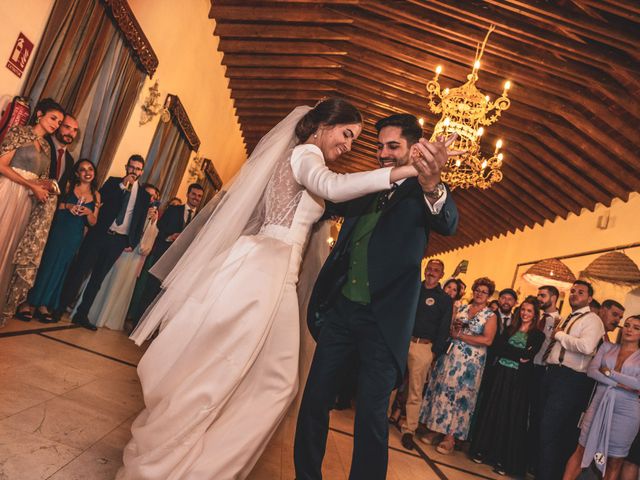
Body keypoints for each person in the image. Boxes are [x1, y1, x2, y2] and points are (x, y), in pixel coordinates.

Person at [117, 99, 420, 480]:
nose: (348, 146)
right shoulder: (306, 154)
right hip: (265, 270)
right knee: (242, 375)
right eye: (347, 135)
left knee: (268, 380)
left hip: (274, 271)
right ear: (324, 124)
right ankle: (178, 464)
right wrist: (406, 171)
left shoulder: (304, 158)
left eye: (355, 140)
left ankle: (202, 466)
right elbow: (331, 186)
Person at [295, 112, 460, 479]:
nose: (383, 153)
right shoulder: (367, 184)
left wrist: (433, 183)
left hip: (384, 324)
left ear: (414, 148)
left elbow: (447, 221)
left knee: (370, 417)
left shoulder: (423, 190)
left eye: (393, 146)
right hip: (341, 314)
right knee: (314, 402)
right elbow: (323, 197)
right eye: (380, 146)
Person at [57, 154, 151, 330]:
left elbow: (138, 220)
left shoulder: (144, 196)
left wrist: (132, 240)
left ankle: (81, 314)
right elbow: (102, 199)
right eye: (131, 167)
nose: (134, 171)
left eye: (138, 169)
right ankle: (60, 308)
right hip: (99, 234)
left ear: (142, 171)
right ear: (126, 167)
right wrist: (123, 185)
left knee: (97, 278)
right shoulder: (114, 182)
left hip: (118, 241)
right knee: (80, 270)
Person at [0, 98, 64, 324]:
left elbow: (41, 179)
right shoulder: (19, 132)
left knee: (10, 251)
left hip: (27, 202)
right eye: (53, 118)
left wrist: (48, 186)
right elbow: (2, 164)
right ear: (39, 114)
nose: (56, 124)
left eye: (59, 122)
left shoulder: (47, 147)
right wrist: (32, 186)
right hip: (8, 193)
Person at [418, 277, 497, 455]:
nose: (479, 293)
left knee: (460, 397)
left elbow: (488, 339)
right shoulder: (462, 307)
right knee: (444, 390)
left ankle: (450, 437)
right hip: (451, 356)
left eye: (484, 292)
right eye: (477, 289)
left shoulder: (490, 315)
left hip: (471, 363)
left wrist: (461, 336)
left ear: (489, 295)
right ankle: (436, 429)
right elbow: (449, 326)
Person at [470, 296, 545, 476]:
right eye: (523, 310)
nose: (525, 314)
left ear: (535, 315)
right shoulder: (510, 329)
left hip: (518, 380)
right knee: (492, 411)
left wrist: (513, 352)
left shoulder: (538, 335)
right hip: (500, 375)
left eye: (529, 311)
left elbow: (529, 355)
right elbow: (498, 348)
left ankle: (502, 458)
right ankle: (483, 451)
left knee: (510, 416)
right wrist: (517, 354)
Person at [538, 280, 605, 480]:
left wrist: (559, 335)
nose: (575, 294)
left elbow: (586, 347)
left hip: (570, 379)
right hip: (553, 374)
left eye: (580, 292)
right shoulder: (569, 317)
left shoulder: (592, 320)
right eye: (573, 291)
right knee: (544, 427)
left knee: (550, 430)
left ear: (589, 298)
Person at [20, 159, 99, 322]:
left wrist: (87, 213)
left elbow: (93, 222)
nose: (87, 172)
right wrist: (69, 207)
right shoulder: (69, 185)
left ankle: (44, 305)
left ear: (94, 172)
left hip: (74, 236)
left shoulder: (96, 194)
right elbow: (54, 206)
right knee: (46, 264)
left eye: (90, 169)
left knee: (60, 269)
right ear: (77, 173)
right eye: (83, 170)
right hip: (58, 230)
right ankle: (27, 302)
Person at [562, 315, 640, 479]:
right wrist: (620, 384)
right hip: (598, 403)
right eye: (627, 325)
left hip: (627, 412)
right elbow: (592, 371)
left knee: (614, 460)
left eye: (636, 327)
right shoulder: (607, 347)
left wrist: (609, 373)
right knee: (581, 449)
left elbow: (638, 384)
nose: (629, 329)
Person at [395, 259, 453, 450]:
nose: (431, 272)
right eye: (429, 269)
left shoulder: (444, 299)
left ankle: (409, 430)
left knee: (415, 390)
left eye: (436, 270)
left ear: (441, 275)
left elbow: (444, 328)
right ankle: (378, 417)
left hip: (423, 347)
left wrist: (434, 352)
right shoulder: (413, 289)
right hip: (401, 341)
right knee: (390, 382)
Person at [87, 183, 160, 330]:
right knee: (105, 277)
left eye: (153, 197)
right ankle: (91, 312)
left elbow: (147, 242)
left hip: (133, 255)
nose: (150, 198)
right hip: (120, 247)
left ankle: (108, 316)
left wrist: (151, 222)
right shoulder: (132, 207)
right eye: (148, 194)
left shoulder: (153, 215)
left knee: (120, 285)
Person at [129, 183, 204, 326]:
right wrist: (169, 237)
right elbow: (160, 227)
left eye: (199, 196)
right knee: (150, 291)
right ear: (188, 194)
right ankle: (137, 324)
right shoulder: (174, 210)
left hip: (182, 263)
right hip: (163, 256)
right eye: (194, 194)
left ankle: (151, 328)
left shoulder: (201, 217)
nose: (196, 198)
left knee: (165, 297)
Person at [529, 284, 562, 474]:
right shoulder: (536, 316)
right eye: (538, 295)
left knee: (537, 416)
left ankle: (533, 460)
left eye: (543, 296)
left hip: (543, 370)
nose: (539, 299)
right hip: (527, 366)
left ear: (554, 297)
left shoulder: (561, 321)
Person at [46, 113, 78, 195]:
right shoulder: (43, 142)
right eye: (67, 127)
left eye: (75, 130)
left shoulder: (70, 160)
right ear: (58, 126)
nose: (71, 133)